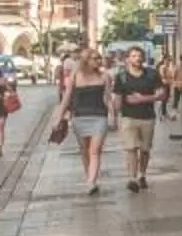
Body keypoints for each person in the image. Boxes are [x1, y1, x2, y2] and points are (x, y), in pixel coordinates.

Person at [112, 45, 166, 193]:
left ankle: (142, 174)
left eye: (139, 55)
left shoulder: (151, 74)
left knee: (145, 149)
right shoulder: (121, 77)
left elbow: (162, 94)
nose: (138, 58)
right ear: (127, 59)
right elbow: (117, 98)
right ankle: (132, 178)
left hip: (147, 117)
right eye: (134, 56)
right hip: (128, 117)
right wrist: (114, 118)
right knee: (131, 149)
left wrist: (144, 98)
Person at [66, 44, 116, 194]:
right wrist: (60, 116)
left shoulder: (104, 76)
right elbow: (67, 98)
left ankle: (92, 181)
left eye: (99, 58)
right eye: (95, 58)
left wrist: (113, 115)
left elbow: (107, 98)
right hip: (80, 116)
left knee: (95, 151)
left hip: (99, 116)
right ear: (86, 60)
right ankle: (89, 176)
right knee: (84, 150)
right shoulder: (75, 76)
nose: (99, 61)